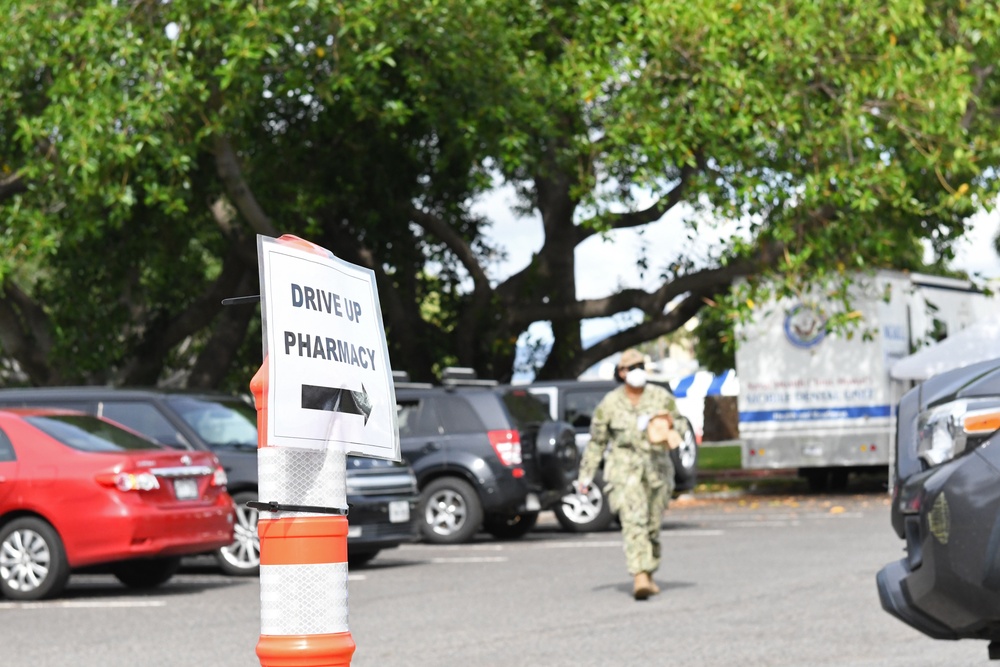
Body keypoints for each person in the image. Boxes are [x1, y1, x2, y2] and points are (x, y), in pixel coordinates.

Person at [576, 348, 679, 600]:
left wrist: (666, 426)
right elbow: (597, 442)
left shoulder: (660, 397)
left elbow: (681, 424)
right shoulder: (609, 404)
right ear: (621, 373)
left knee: (652, 525)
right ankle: (639, 576)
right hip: (624, 468)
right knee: (634, 522)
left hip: (657, 469)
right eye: (632, 368)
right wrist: (585, 476)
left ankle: (649, 569)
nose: (638, 372)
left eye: (641, 367)